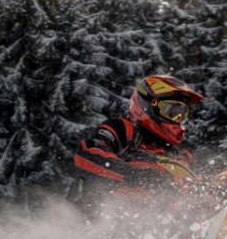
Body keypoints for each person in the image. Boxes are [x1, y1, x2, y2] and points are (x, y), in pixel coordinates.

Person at [71, 73, 203, 210]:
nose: (177, 118)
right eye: (171, 111)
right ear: (147, 105)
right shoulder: (122, 130)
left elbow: (197, 189)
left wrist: (212, 187)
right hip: (96, 216)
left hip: (157, 224)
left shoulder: (182, 155)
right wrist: (139, 175)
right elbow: (87, 155)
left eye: (182, 113)